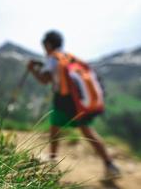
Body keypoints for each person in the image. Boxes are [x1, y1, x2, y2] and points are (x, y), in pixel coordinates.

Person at [27, 30, 120, 178]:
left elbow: (45, 80)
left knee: (54, 128)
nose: (44, 48)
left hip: (63, 101)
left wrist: (32, 70)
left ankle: (51, 160)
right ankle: (109, 164)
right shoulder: (68, 57)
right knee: (86, 130)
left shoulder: (52, 59)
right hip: (77, 101)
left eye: (44, 45)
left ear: (49, 44)